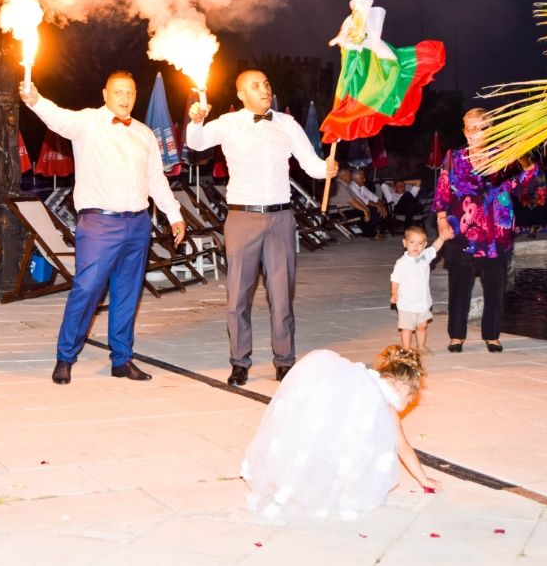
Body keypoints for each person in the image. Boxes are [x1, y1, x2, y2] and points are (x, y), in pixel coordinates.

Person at [20, 71, 186, 384]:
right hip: (99, 222)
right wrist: (35, 100)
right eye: (119, 92)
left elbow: (155, 179)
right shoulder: (89, 122)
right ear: (105, 94)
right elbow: (58, 118)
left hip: (137, 223)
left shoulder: (144, 133)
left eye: (131, 93)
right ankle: (65, 356)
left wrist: (174, 214)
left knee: (127, 293)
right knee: (86, 290)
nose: (125, 98)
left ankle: (122, 359)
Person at [186, 70, 338, 386]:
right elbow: (196, 142)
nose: (264, 89)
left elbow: (311, 164)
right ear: (241, 94)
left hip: (281, 218)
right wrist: (197, 120)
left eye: (267, 84)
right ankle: (239, 362)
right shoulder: (229, 124)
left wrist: (328, 169)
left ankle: (284, 361)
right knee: (238, 296)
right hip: (242, 217)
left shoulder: (287, 124)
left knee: (281, 295)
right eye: (255, 86)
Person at [241, 345, 441, 521]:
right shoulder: (385, 406)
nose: (407, 404)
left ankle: (305, 477)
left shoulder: (365, 384)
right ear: (404, 387)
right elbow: (403, 448)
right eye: (410, 398)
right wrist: (424, 480)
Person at [433, 108, 537, 353]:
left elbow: (527, 181)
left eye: (479, 128)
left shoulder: (505, 156)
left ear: (491, 130)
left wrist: (522, 154)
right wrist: (440, 219)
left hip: (496, 231)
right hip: (462, 230)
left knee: (495, 285)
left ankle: (492, 335)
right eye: (469, 128)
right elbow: (443, 189)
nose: (473, 133)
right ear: (464, 130)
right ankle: (456, 335)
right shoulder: (454, 157)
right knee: (459, 285)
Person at [390, 223, 448, 352]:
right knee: (407, 328)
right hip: (406, 303)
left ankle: (421, 347)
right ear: (405, 243)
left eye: (420, 243)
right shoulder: (401, 263)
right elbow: (395, 279)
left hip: (422, 302)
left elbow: (435, 247)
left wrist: (442, 238)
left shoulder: (425, 257)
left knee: (422, 326)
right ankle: (406, 349)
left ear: (424, 245)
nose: (416, 246)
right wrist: (394, 293)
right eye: (412, 242)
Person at [513, 154, 547, 239]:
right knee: (521, 202)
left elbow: (541, 193)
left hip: (536, 185)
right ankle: (524, 225)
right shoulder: (518, 169)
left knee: (539, 202)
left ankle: (537, 226)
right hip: (522, 186)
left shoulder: (538, 170)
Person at [350, 168, 389, 239]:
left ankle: (381, 231)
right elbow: (363, 201)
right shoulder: (352, 187)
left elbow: (375, 198)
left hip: (363, 205)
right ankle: (372, 233)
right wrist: (377, 205)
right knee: (372, 209)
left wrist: (381, 206)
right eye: (362, 178)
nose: (364, 180)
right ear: (356, 179)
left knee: (384, 207)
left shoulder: (361, 186)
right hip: (355, 207)